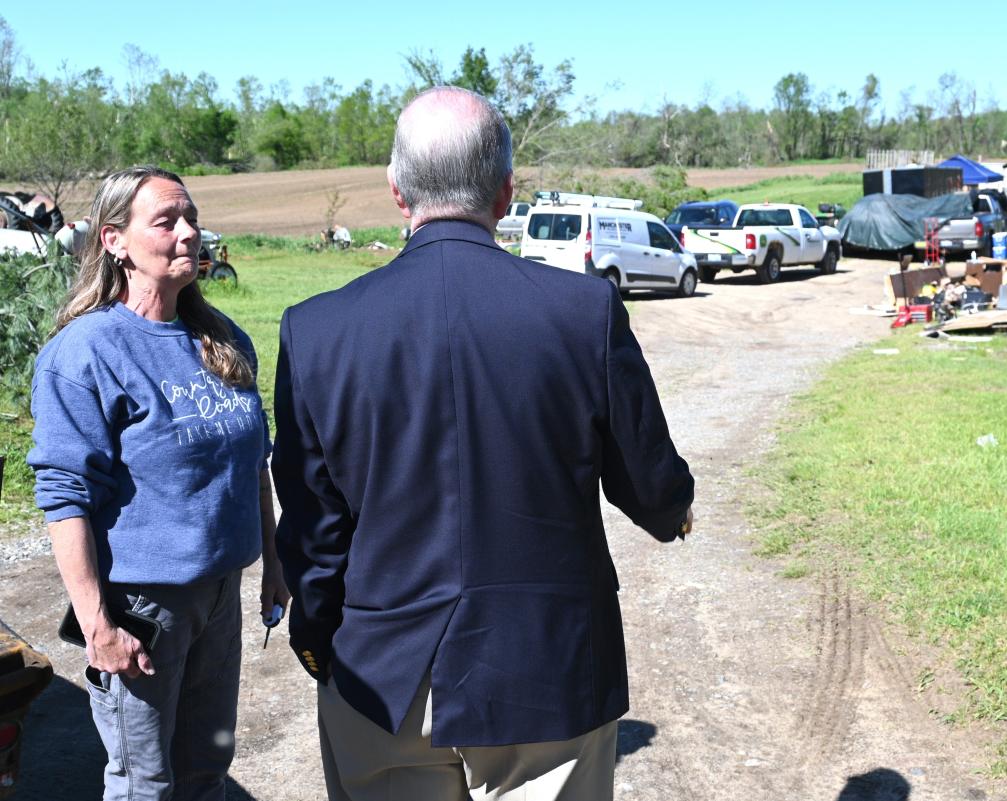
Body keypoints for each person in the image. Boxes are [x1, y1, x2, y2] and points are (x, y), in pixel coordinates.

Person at [272, 86, 695, 801]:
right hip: (546, 670)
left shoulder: (316, 330)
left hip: (382, 676)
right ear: (505, 192)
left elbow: (313, 533)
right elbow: (653, 486)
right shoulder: (582, 311)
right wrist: (673, 508)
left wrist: (320, 643)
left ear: (397, 194)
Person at [26, 165, 291, 801]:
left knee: (206, 769)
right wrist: (98, 626)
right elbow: (66, 499)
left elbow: (255, 466)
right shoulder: (87, 352)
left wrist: (274, 565)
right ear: (114, 240)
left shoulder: (222, 340)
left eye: (191, 219)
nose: (188, 234)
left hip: (220, 596)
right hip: (142, 607)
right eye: (166, 221)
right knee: (146, 781)